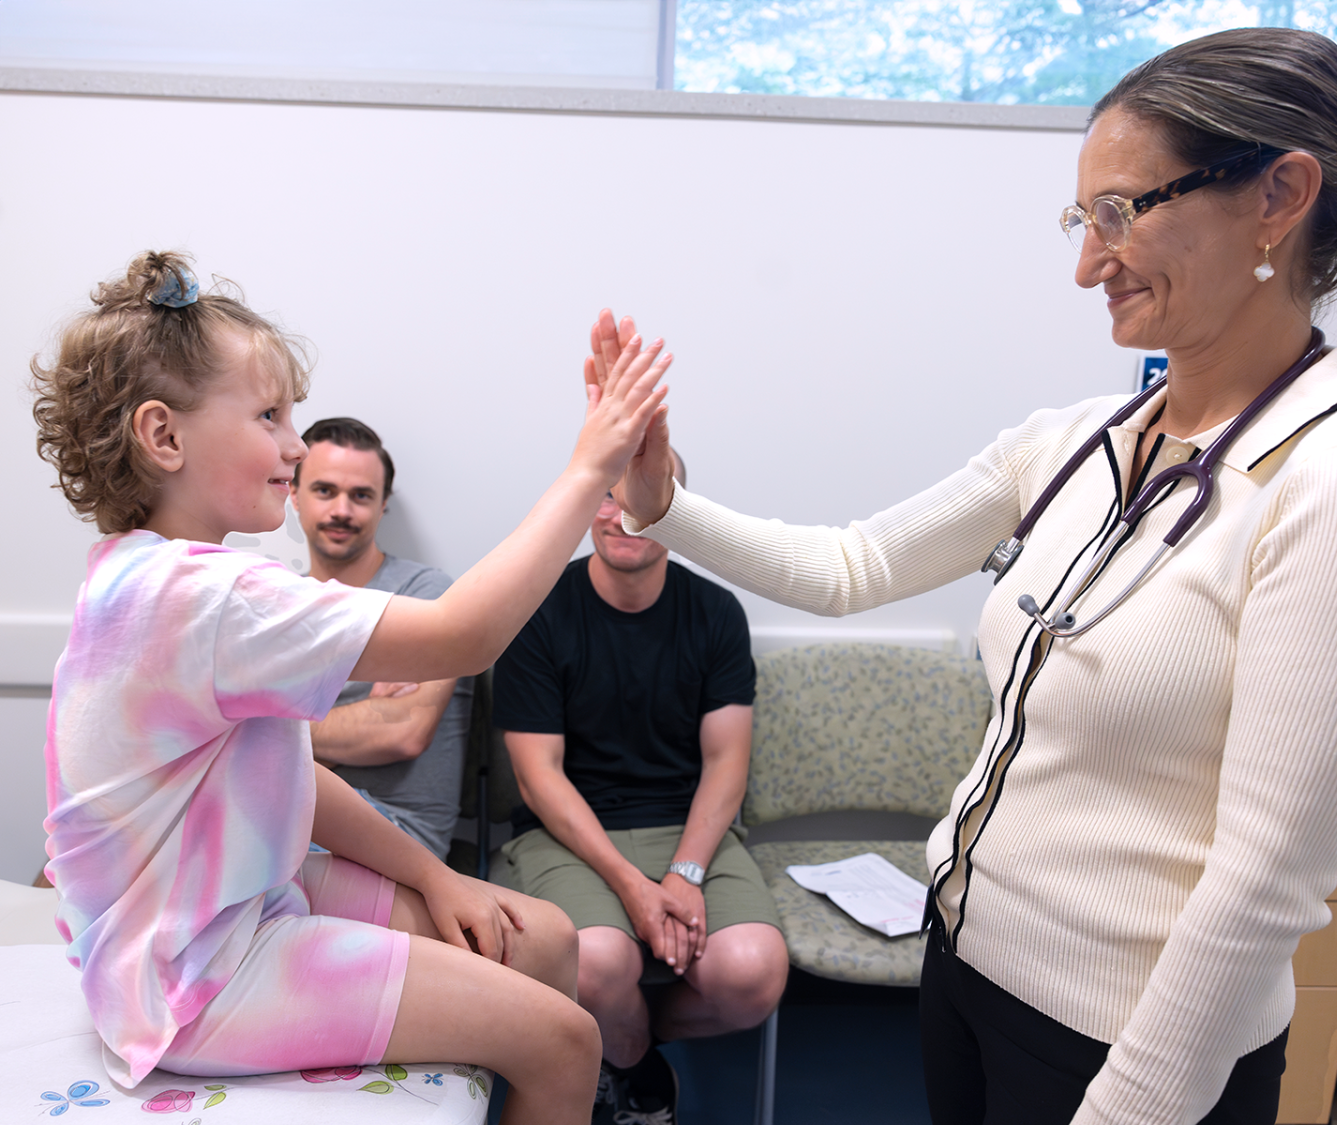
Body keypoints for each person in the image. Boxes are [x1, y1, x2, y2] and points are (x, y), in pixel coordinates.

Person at [603, 28, 1337, 1125]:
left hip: (1132, 1049)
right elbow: (850, 566)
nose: (1087, 263)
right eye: (1081, 218)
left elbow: (1264, 882)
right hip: (966, 967)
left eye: (1120, 212)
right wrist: (659, 496)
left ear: (1277, 196)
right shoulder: (1077, 441)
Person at [33, 250, 670, 1125]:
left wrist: (437, 880)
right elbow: (467, 633)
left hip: (220, 908)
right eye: (268, 415)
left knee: (549, 936)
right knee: (565, 1039)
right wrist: (590, 467)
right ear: (164, 435)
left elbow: (292, 774)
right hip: (192, 975)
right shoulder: (205, 598)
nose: (294, 445)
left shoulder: (148, 577)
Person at [494, 448, 788, 1125]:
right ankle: (634, 1063)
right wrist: (631, 883)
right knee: (596, 961)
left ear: (677, 511)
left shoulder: (715, 612)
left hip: (688, 828)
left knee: (752, 973)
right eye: (605, 495)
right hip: (567, 833)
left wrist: (684, 873)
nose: (621, 514)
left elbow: (726, 763)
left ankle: (621, 1039)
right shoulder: (537, 608)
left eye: (643, 497)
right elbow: (539, 777)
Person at [291, 416, 470, 859]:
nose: (342, 511)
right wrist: (359, 722)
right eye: (325, 490)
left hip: (393, 831)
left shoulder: (426, 598)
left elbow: (404, 732)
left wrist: (273, 728)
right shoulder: (278, 604)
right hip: (289, 814)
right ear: (293, 494)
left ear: (383, 503)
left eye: (361, 496)